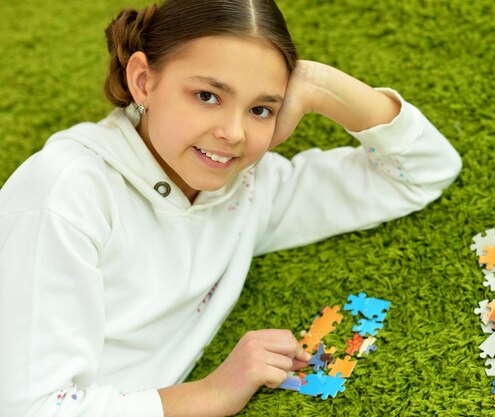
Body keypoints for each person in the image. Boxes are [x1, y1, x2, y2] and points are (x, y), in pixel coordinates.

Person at [0, 0, 462, 416]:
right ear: (143, 80)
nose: (234, 133)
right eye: (207, 96)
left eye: (261, 109)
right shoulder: (65, 195)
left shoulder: (249, 186)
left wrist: (321, 85)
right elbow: (32, 409)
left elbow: (421, 172)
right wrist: (215, 393)